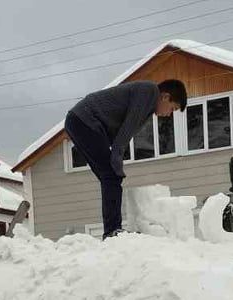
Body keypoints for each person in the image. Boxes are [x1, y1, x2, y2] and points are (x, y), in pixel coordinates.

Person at [64, 79, 188, 238]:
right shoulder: (149, 92)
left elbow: (120, 132)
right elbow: (127, 128)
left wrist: (115, 158)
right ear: (165, 96)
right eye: (173, 108)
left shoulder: (148, 104)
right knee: (111, 176)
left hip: (80, 121)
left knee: (109, 178)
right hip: (84, 120)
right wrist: (116, 158)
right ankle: (112, 231)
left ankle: (112, 230)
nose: (169, 114)